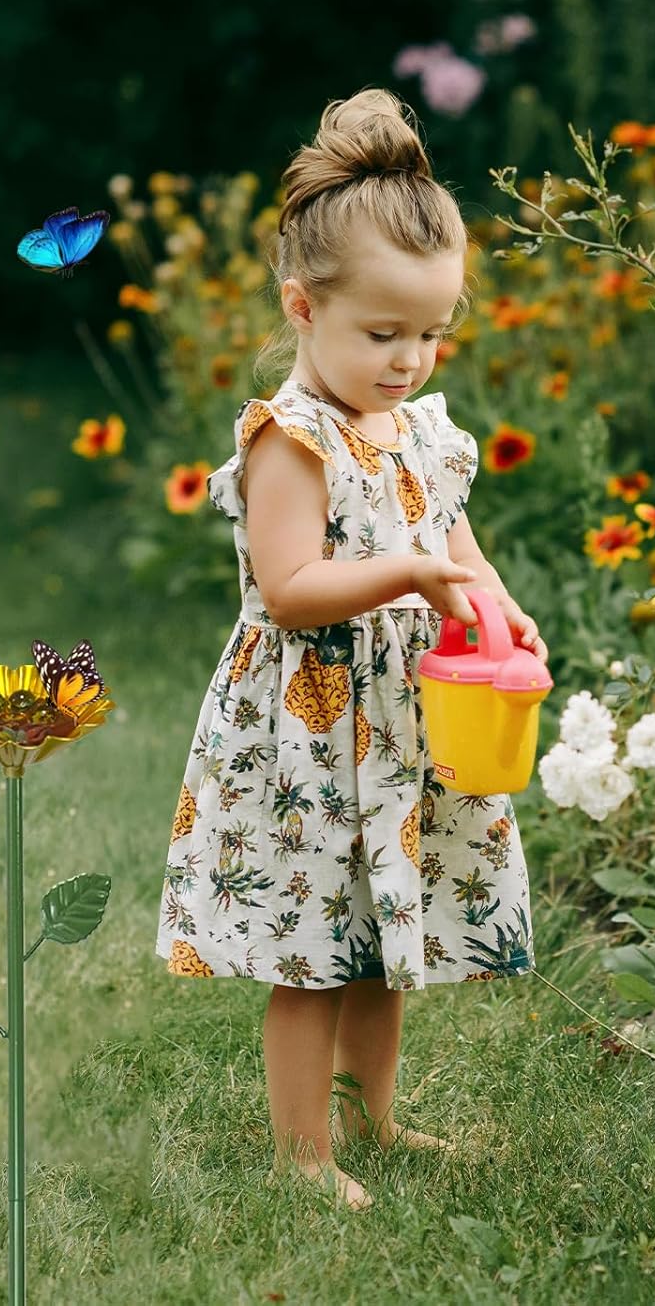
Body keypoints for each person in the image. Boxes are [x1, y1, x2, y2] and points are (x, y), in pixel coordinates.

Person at [154, 88, 547, 1212]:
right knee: (313, 947)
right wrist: (411, 578)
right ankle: (303, 1153)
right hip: (311, 728)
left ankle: (376, 1116)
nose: (411, 359)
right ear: (303, 307)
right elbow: (290, 588)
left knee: (386, 930)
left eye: (431, 333)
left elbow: (456, 541)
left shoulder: (421, 425)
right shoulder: (294, 437)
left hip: (406, 721)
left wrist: (496, 609)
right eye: (384, 335)